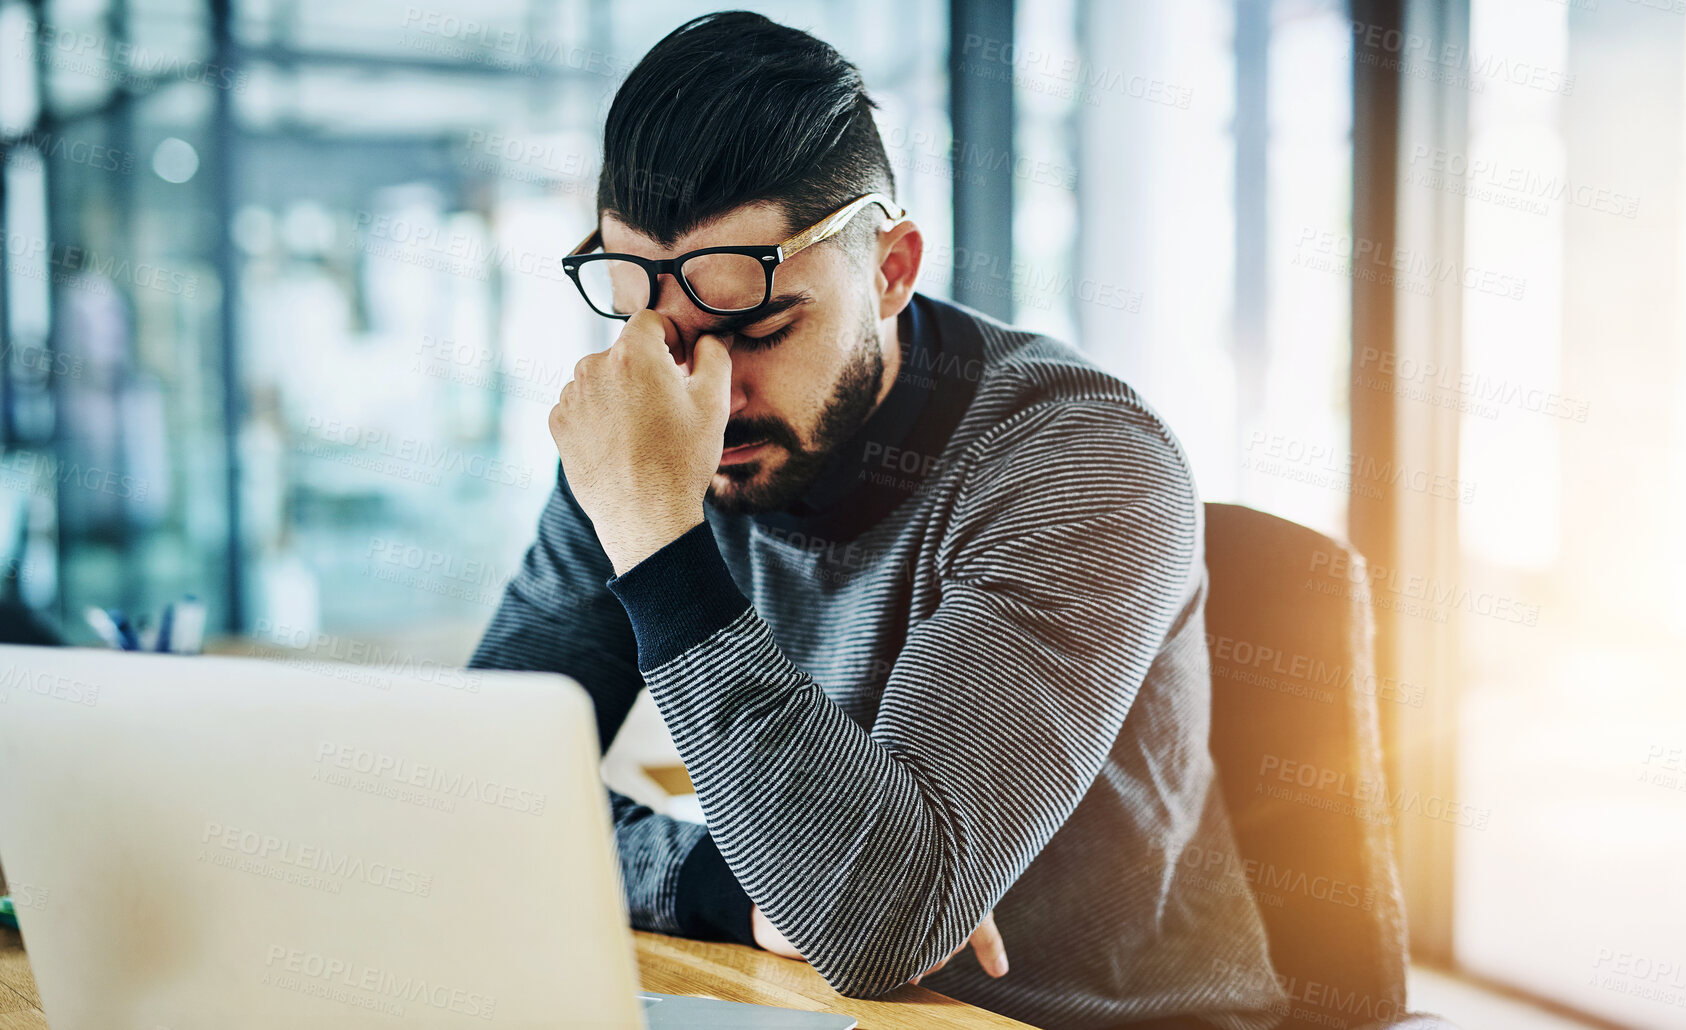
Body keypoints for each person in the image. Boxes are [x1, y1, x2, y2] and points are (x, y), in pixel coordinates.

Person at [470, 12, 1288, 1030]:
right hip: (814, 1007)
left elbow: (874, 918)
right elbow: (480, 791)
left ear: (890, 269)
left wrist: (659, 542)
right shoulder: (648, 433)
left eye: (756, 325)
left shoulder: (1081, 463)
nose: (700, 392)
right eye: (655, 329)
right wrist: (728, 888)